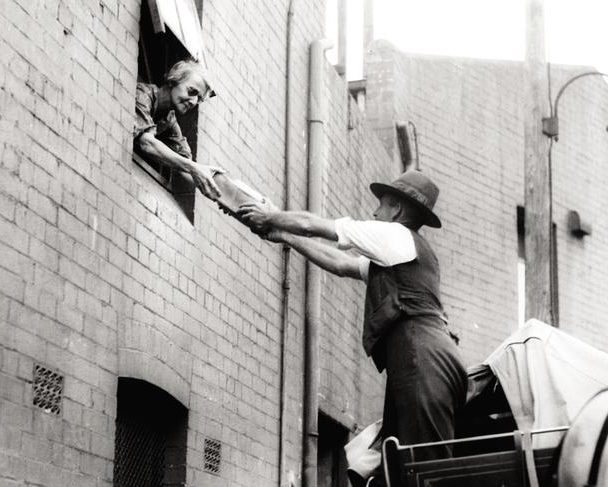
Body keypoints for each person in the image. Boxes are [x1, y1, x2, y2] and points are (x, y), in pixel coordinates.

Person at [238, 170, 468, 486]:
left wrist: (272, 217)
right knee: (402, 461)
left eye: (381, 206)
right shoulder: (400, 255)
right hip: (427, 355)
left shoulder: (396, 237)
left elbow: (313, 224)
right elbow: (342, 265)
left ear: (397, 210)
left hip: (421, 356)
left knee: (424, 468)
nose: (375, 213)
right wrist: (285, 237)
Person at [134, 59, 223, 200]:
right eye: (192, 91)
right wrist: (194, 168)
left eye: (199, 99)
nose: (194, 102)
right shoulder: (142, 94)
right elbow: (147, 143)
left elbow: (188, 168)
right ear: (172, 80)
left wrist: (223, 194)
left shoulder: (169, 120)